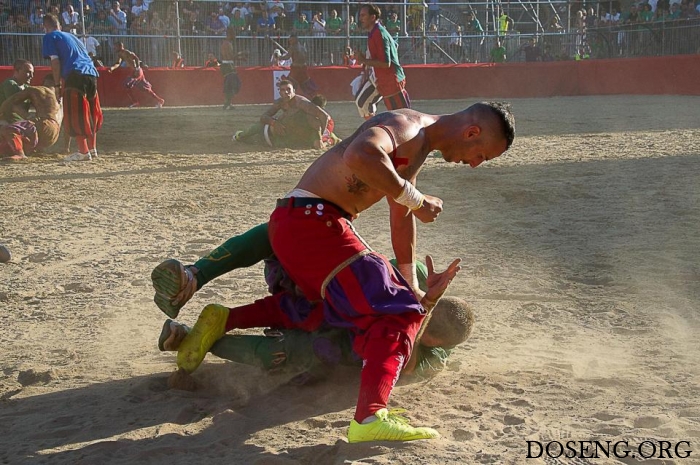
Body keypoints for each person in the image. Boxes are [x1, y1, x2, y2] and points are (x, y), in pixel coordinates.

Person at [161, 102, 515, 443]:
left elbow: (401, 217)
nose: (474, 164)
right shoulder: (409, 127)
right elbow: (359, 155)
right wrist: (417, 199)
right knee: (400, 314)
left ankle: (209, 310)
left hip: (297, 223)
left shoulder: (418, 145)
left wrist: (410, 282)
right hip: (314, 223)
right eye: (482, 155)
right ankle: (370, 417)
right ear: (472, 132)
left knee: (345, 309)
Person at [42, 13, 102, 162]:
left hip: (75, 76)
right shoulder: (72, 37)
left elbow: (55, 63)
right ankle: (92, 149)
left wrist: (57, 85)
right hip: (91, 75)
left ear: (45, 26)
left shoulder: (50, 37)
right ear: (59, 25)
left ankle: (83, 152)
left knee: (74, 114)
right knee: (90, 113)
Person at [232, 78, 333, 149]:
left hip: (307, 130)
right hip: (290, 130)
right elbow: (264, 117)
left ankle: (327, 138)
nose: (286, 92)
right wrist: (274, 123)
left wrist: (322, 135)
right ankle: (240, 135)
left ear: (294, 90)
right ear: (279, 92)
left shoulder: (302, 103)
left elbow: (323, 116)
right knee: (257, 131)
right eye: (283, 90)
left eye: (289, 90)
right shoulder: (280, 102)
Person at [354, 4, 410, 111]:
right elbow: (394, 46)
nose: (360, 18)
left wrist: (364, 60)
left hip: (392, 81)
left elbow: (385, 63)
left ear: (372, 17)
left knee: (402, 118)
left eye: (363, 15)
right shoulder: (375, 31)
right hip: (387, 81)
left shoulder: (378, 33)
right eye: (360, 15)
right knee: (398, 118)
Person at [0, 75, 62, 160]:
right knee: (20, 138)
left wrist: (2, 111)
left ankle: (20, 154)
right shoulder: (59, 100)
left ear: (43, 83)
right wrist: (66, 147)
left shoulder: (36, 89)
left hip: (44, 125)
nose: (32, 76)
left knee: (9, 129)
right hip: (54, 135)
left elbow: (11, 101)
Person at [109, 42, 165, 108]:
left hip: (136, 72)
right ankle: (160, 100)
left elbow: (136, 58)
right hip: (136, 71)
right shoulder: (120, 54)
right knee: (145, 89)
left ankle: (135, 102)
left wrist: (137, 68)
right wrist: (112, 68)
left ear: (120, 46)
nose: (114, 48)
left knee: (126, 84)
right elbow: (118, 63)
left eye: (115, 47)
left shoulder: (127, 52)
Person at [279, 33, 318, 99]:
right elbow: (306, 57)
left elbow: (287, 57)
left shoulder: (292, 47)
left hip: (296, 69)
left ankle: (290, 98)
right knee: (305, 84)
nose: (290, 42)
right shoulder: (303, 47)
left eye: (291, 40)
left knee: (291, 83)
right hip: (303, 68)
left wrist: (280, 57)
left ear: (294, 40)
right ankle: (313, 98)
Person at [0, 59, 34, 124]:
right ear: (17, 71)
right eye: (28, 72)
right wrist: (28, 117)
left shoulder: (27, 87)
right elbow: (14, 106)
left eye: (32, 73)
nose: (31, 76)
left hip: (19, 121)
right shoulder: (10, 84)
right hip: (5, 121)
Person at [220, 27, 246, 110]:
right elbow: (230, 57)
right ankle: (227, 103)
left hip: (227, 65)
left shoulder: (226, 43)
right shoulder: (227, 44)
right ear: (230, 34)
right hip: (228, 66)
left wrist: (240, 56)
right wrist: (240, 55)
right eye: (233, 34)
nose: (235, 36)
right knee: (235, 84)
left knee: (231, 85)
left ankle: (228, 103)